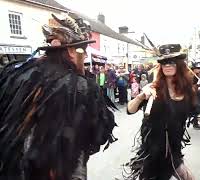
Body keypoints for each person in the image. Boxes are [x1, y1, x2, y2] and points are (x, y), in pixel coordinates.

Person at [0, 13, 117, 180]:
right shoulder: (79, 84)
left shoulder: (20, 75)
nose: (84, 56)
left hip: (15, 166)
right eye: (82, 51)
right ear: (71, 51)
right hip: (63, 169)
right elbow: (99, 133)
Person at [126, 44, 200, 180]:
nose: (168, 66)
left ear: (179, 65)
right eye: (164, 63)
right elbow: (130, 110)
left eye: (171, 62)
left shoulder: (186, 91)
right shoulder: (153, 88)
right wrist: (141, 96)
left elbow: (197, 111)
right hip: (152, 151)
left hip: (173, 150)